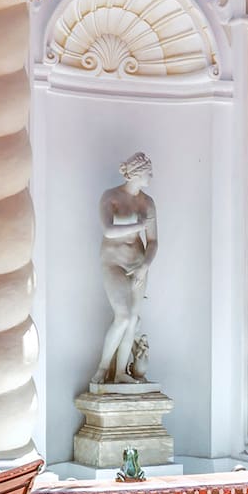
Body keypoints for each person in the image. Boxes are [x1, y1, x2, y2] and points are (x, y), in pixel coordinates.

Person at [93, 152, 159, 386]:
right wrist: (139, 224)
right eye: (148, 172)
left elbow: (153, 242)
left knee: (132, 320)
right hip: (113, 262)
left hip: (138, 264)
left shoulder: (147, 202)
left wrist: (145, 265)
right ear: (137, 173)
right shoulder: (111, 197)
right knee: (122, 316)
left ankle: (120, 372)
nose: (151, 176)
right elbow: (108, 230)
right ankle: (102, 369)